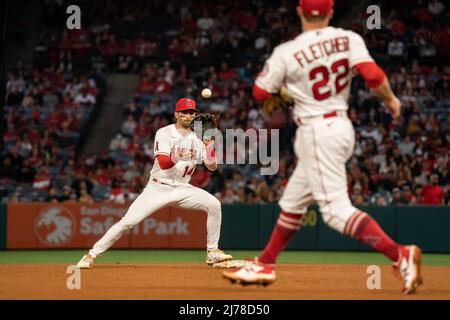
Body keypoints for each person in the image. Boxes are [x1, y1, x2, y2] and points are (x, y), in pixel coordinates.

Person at [223, 0, 422, 294]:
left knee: (334, 211)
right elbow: (373, 76)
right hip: (340, 126)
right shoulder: (349, 38)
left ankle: (400, 255)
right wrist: (391, 100)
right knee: (292, 203)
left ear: (299, 11)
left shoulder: (287, 51)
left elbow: (260, 92)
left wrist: (287, 91)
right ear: (330, 12)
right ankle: (265, 263)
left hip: (316, 130)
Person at [76, 98, 232, 268]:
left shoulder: (198, 138)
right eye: (185, 112)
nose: (189, 116)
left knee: (214, 205)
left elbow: (212, 166)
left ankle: (213, 252)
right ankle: (91, 255)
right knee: (128, 222)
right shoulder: (164, 133)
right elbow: (164, 164)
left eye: (192, 113)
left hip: (182, 188)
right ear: (176, 114)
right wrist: (178, 156)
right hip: (158, 188)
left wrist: (209, 147)